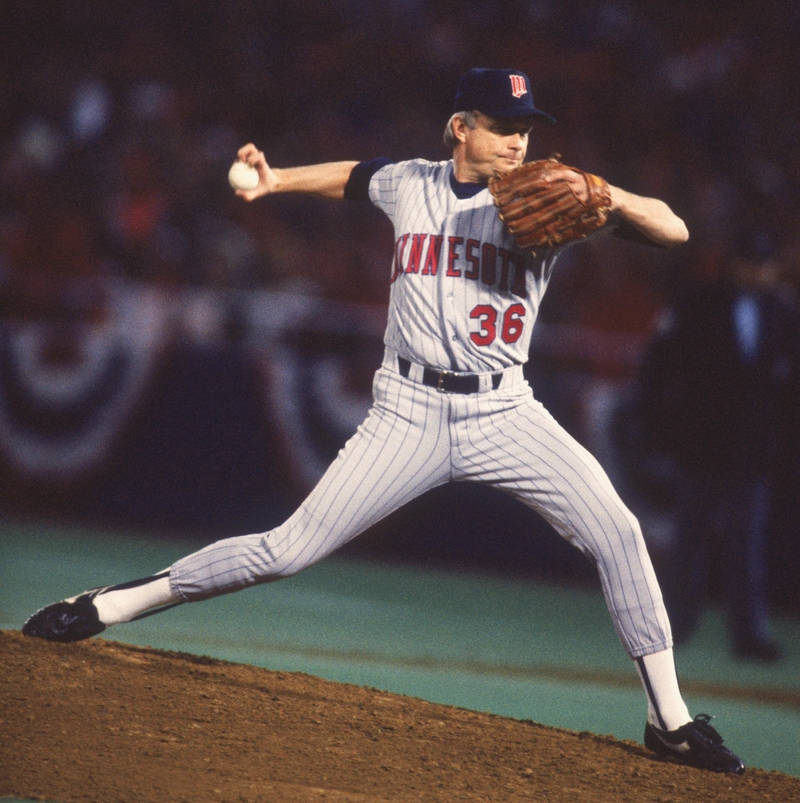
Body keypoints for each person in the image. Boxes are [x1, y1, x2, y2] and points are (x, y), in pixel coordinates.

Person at [22, 68, 744, 774]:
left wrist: (609, 195)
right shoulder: (412, 182)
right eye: (504, 127)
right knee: (285, 550)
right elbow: (355, 175)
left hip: (505, 409)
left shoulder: (542, 197)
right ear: (461, 127)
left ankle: (669, 720)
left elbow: (674, 229)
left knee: (619, 532)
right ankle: (108, 604)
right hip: (408, 409)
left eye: (527, 129)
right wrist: (276, 180)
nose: (521, 142)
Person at [637, 233, 800, 662]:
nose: (759, 273)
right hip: (702, 446)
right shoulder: (701, 303)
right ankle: (673, 627)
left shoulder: (783, 311)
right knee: (690, 542)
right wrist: (666, 429)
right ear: (735, 264)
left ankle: (749, 634)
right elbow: (660, 365)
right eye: (751, 263)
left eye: (765, 265)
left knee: (747, 546)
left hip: (753, 451)